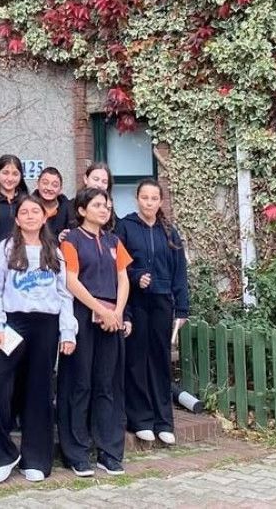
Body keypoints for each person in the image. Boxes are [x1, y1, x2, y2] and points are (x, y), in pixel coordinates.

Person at [0, 195, 77, 484]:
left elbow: (64, 295)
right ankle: (1, 455)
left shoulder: (54, 252)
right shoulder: (6, 249)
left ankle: (36, 459)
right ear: (17, 219)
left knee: (39, 391)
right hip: (13, 324)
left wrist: (68, 331)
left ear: (44, 218)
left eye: (36, 211)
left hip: (46, 326)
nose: (31, 215)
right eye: (25, 212)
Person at [58, 187, 132, 475]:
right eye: (98, 205)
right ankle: (76, 452)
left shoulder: (114, 241)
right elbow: (71, 280)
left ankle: (108, 451)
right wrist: (100, 309)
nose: (104, 210)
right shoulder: (72, 240)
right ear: (82, 210)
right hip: (82, 316)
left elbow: (123, 278)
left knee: (107, 384)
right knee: (79, 384)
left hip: (112, 319)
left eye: (107, 206)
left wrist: (117, 312)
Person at [116, 178, 189, 445]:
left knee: (160, 360)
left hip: (162, 303)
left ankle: (163, 421)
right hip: (135, 303)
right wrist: (136, 276)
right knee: (136, 360)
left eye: (154, 198)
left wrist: (182, 308)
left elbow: (179, 272)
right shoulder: (125, 227)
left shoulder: (169, 232)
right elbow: (119, 267)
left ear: (161, 202)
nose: (149, 203)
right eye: (144, 198)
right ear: (137, 199)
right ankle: (141, 419)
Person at [33, 166, 76, 236]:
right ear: (37, 184)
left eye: (55, 185)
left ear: (60, 189)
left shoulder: (70, 210)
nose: (49, 188)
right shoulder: (27, 206)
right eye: (45, 183)